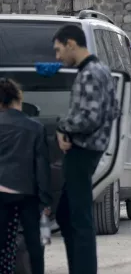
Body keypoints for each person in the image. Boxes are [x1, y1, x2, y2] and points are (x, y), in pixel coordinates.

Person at [52, 25, 120, 274]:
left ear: (71, 43)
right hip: (91, 149)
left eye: (59, 50)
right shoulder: (101, 70)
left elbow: (90, 118)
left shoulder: (90, 73)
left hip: (82, 152)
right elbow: (112, 111)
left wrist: (63, 127)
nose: (57, 57)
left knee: (79, 219)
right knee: (66, 215)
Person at [0, 79, 51, 274]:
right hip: (26, 194)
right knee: (33, 243)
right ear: (17, 99)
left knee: (3, 243)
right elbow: (41, 168)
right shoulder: (35, 127)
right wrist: (45, 201)